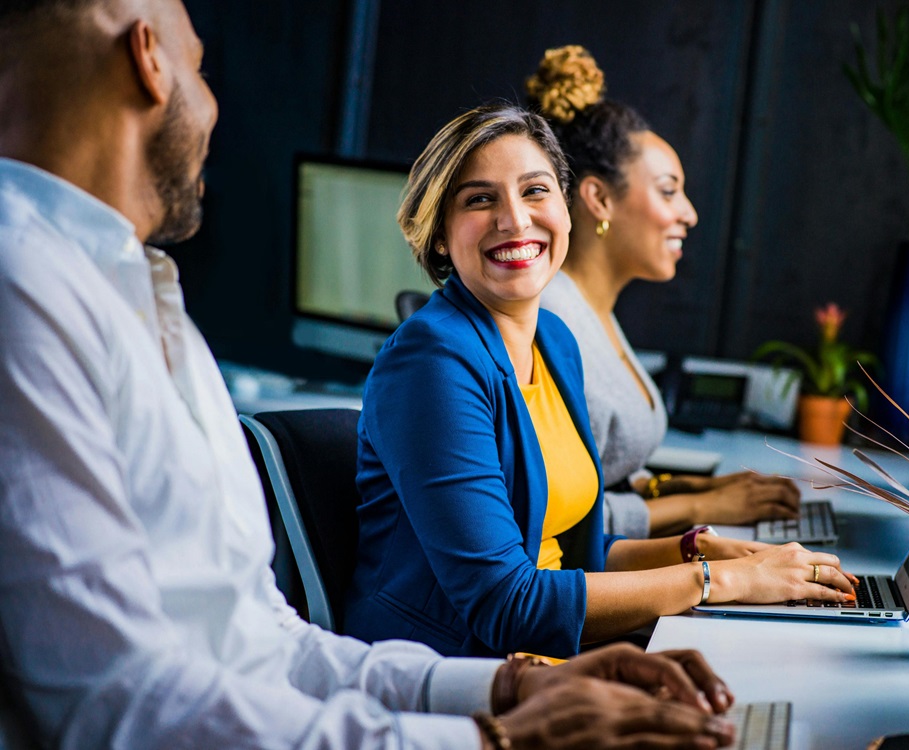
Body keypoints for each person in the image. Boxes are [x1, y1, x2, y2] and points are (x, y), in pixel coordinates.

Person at [0, 2, 740, 748]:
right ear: (149, 59)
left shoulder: (139, 294)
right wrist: (495, 737)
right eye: (200, 68)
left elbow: (266, 644)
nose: (215, 103)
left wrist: (512, 690)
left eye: (535, 190)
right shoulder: (25, 290)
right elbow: (113, 707)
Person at [345, 103, 856, 660]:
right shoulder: (431, 362)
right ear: (440, 235)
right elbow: (506, 604)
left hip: (548, 656)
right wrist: (718, 581)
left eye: (535, 191)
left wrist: (701, 550)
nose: (515, 219)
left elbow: (572, 556)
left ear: (566, 209)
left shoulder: (556, 341)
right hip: (450, 673)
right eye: (479, 199)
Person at [529, 45, 802, 539]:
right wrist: (704, 507)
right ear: (599, 198)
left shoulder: (593, 312)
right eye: (668, 190)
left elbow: (604, 475)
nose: (689, 213)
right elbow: (559, 521)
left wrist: (692, 490)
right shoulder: (551, 321)